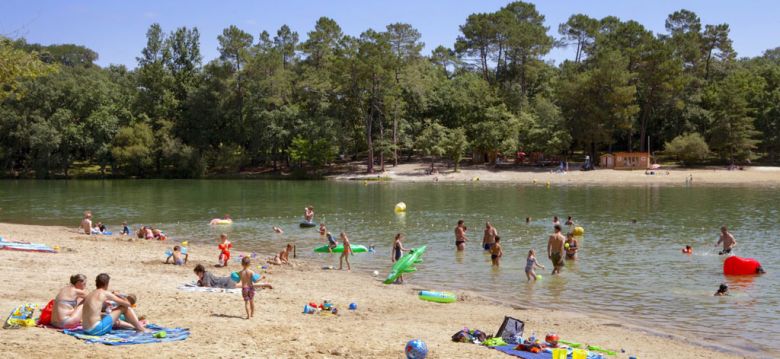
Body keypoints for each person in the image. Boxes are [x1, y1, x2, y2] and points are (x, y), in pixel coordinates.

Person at [82, 273, 147, 336]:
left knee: (109, 313)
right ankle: (140, 328)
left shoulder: (91, 293)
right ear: (106, 284)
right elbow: (128, 304)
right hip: (95, 330)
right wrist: (118, 294)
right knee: (123, 308)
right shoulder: (105, 293)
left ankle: (135, 326)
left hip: (85, 329)